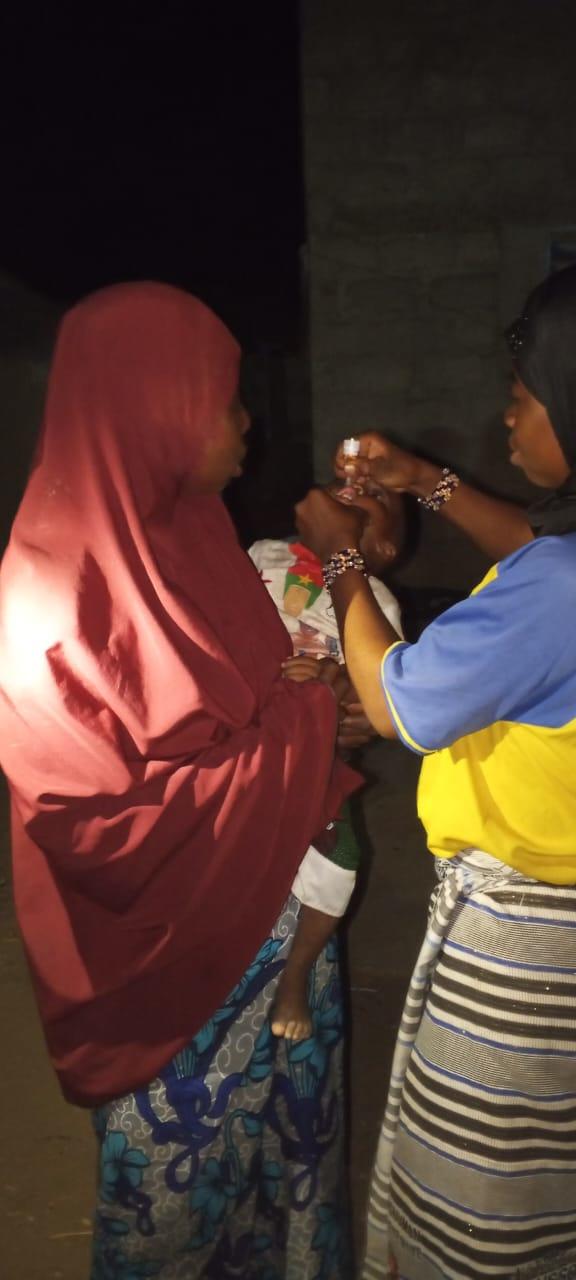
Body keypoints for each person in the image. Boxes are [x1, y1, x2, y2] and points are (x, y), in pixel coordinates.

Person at [0, 282, 362, 1280]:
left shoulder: (194, 534)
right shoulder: (50, 585)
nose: (250, 420)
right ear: (154, 401)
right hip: (179, 978)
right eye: (226, 396)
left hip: (281, 935)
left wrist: (308, 695)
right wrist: (307, 726)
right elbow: (97, 828)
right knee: (180, 1209)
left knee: (284, 1183)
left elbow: (253, 696)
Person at [295, 263, 576, 1280]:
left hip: (528, 949)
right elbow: (540, 546)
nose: (507, 414)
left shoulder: (556, 589)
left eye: (525, 393)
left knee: (484, 1208)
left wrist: (340, 564)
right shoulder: (561, 565)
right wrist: (427, 483)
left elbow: (406, 702)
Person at [249, 486, 405, 1040]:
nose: (347, 502)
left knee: (339, 857)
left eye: (363, 513)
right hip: (238, 739)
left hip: (314, 754)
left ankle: (294, 978)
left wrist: (327, 690)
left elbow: (376, 700)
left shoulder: (376, 604)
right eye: (341, 497)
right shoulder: (264, 555)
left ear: (380, 549)